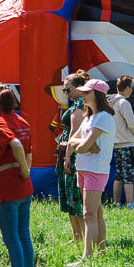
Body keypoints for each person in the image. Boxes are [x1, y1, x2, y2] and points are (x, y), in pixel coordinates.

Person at [0, 85, 34, 267]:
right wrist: (25, 171)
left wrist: (21, 169)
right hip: (24, 187)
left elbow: (16, 145)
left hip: (8, 187)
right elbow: (29, 152)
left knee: (11, 237)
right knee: (24, 233)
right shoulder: (22, 121)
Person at [67, 79, 115, 266]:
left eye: (87, 93)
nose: (82, 95)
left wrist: (83, 145)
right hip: (84, 168)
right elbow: (73, 141)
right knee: (97, 212)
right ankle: (101, 251)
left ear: (97, 95)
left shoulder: (104, 117)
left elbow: (79, 144)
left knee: (88, 214)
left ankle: (87, 257)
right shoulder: (89, 117)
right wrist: (84, 145)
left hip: (96, 169)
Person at [54, 72, 88, 241]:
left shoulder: (80, 104)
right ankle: (76, 236)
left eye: (67, 89)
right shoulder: (75, 104)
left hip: (72, 154)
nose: (65, 93)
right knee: (68, 195)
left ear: (78, 88)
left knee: (74, 195)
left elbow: (75, 132)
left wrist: (67, 157)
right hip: (66, 151)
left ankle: (82, 236)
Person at [109, 75, 134, 208]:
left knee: (119, 175)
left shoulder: (110, 102)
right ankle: (130, 204)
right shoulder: (124, 103)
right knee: (129, 175)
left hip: (116, 144)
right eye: (131, 88)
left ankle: (116, 202)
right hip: (127, 143)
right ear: (127, 88)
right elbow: (132, 124)